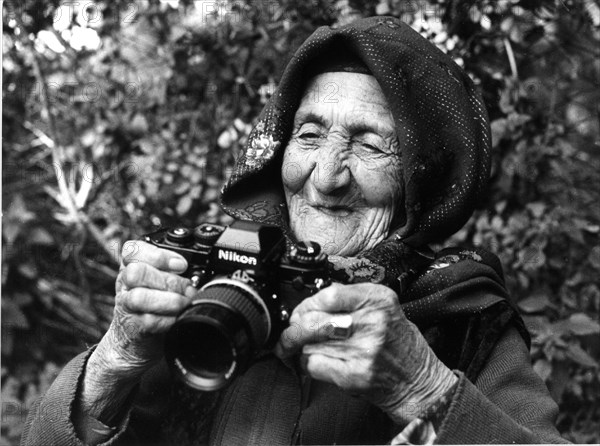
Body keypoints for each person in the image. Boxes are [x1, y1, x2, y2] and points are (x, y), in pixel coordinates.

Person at [22, 16, 567, 445]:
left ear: (422, 177)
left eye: (370, 144)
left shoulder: (458, 315)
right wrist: (114, 360)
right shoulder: (214, 290)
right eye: (308, 135)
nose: (325, 177)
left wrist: (421, 389)